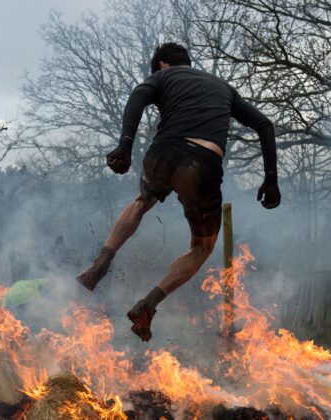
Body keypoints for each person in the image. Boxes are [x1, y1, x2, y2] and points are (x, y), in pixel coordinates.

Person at [76, 42, 280, 341]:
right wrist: (271, 178)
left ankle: (100, 265)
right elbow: (264, 124)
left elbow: (137, 96)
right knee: (202, 247)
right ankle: (148, 304)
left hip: (165, 152)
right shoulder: (223, 87)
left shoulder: (163, 77)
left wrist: (125, 144)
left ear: (161, 64)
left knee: (141, 202)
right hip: (204, 163)